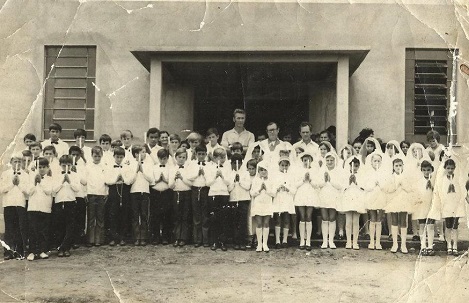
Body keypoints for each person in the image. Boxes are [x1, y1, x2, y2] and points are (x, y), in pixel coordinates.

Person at [432, 158, 466, 255]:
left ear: (454, 168)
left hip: (456, 204)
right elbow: (440, 192)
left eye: (452, 168)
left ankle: (455, 245)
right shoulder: (442, 179)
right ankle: (449, 246)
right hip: (447, 205)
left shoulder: (458, 178)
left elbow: (462, 191)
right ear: (445, 168)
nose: (450, 170)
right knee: (448, 225)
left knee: (455, 226)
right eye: (448, 168)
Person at [1, 154, 29, 259]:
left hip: (20, 204)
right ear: (11, 162)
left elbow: (28, 192)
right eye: (15, 161)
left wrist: (19, 185)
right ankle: (8, 252)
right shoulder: (5, 173)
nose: (17, 164)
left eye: (19, 162)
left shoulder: (26, 175)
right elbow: (1, 189)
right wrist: (12, 184)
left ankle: (19, 251)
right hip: (9, 203)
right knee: (9, 229)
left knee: (19, 228)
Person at [205, 148, 233, 251]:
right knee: (213, 219)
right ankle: (214, 241)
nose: (224, 159)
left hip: (224, 194)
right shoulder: (209, 167)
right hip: (213, 194)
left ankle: (222, 242)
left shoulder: (227, 167)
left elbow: (229, 182)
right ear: (216, 158)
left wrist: (222, 176)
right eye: (222, 157)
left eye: (224, 157)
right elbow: (207, 183)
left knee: (223, 219)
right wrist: (214, 177)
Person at [52, 155, 80, 257]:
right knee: (60, 226)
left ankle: (66, 248)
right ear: (60, 165)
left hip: (70, 202)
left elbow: (77, 189)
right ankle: (60, 248)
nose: (66, 167)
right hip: (59, 202)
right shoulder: (56, 175)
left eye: (68, 165)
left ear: (71, 165)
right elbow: (54, 190)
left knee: (70, 226)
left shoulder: (75, 175)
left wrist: (70, 182)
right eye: (64, 165)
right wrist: (61, 182)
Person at [294, 151, 322, 250]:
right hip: (301, 194)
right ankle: (302, 241)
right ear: (302, 161)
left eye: (309, 160)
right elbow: (295, 185)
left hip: (310, 195)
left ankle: (308, 241)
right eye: (305, 160)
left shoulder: (314, 171)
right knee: (302, 217)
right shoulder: (299, 170)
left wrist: (310, 180)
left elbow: (317, 185)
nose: (307, 162)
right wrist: (303, 179)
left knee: (308, 216)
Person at [105, 147, 132, 246]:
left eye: (121, 157)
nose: (119, 159)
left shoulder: (127, 167)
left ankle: (122, 238)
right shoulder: (110, 167)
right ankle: (113, 238)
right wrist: (115, 179)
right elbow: (107, 180)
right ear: (114, 156)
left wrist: (124, 179)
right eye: (117, 157)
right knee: (113, 214)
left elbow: (130, 180)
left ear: (124, 157)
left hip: (124, 190)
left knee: (124, 214)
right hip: (113, 190)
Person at [384, 158, 413, 254]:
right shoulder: (391, 177)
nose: (398, 167)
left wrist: (403, 184)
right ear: (393, 167)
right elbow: (388, 189)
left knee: (403, 221)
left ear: (403, 166)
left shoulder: (406, 177)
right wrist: (396, 185)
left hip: (403, 201)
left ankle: (403, 244)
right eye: (396, 166)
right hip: (394, 201)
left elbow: (409, 189)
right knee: (394, 221)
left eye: (400, 165)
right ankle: (395, 244)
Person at [26, 157, 53, 261]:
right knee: (33, 230)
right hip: (33, 208)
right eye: (39, 167)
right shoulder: (31, 178)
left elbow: (48, 191)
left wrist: (40, 182)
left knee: (43, 230)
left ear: (47, 168)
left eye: (44, 167)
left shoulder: (50, 179)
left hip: (45, 208)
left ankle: (42, 250)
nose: (41, 169)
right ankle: (32, 251)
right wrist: (34, 182)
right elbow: (29, 192)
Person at [128, 145, 154, 246]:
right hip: (134, 193)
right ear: (135, 154)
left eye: (144, 152)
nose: (143, 154)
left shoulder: (148, 165)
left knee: (144, 215)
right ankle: (136, 238)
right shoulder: (130, 165)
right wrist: (136, 170)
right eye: (140, 152)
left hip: (145, 193)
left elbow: (152, 180)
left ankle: (143, 238)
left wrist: (142, 171)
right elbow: (129, 181)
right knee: (135, 216)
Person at [82, 146, 107, 247]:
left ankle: (99, 240)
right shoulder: (87, 167)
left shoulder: (104, 167)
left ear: (102, 155)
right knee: (91, 218)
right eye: (95, 156)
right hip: (91, 194)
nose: (97, 158)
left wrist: (106, 192)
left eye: (99, 156)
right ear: (92, 156)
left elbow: (106, 181)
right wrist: (85, 193)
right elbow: (84, 182)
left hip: (101, 194)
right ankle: (90, 240)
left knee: (100, 217)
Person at [340, 156, 366, 250]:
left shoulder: (362, 175)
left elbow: (364, 188)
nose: (354, 168)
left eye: (356, 166)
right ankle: (348, 241)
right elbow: (342, 188)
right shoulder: (346, 175)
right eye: (352, 166)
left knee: (356, 221)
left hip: (357, 199)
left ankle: (355, 242)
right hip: (348, 199)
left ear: (358, 166)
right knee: (348, 222)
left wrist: (356, 182)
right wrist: (349, 182)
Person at [318, 152, 343, 249]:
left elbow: (340, 186)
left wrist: (330, 179)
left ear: (335, 161)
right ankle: (325, 241)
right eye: (327, 160)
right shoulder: (322, 171)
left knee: (332, 218)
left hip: (333, 196)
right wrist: (324, 180)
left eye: (331, 160)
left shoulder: (337, 171)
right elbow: (318, 185)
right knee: (325, 218)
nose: (329, 162)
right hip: (324, 195)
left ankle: (331, 241)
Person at [186, 145, 210, 247]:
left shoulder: (209, 165)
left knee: (205, 215)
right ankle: (197, 239)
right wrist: (197, 173)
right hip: (195, 190)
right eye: (199, 154)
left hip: (205, 190)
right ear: (196, 154)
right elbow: (188, 177)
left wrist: (204, 174)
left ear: (206, 154)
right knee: (196, 215)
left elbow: (210, 179)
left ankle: (205, 240)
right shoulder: (192, 164)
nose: (201, 156)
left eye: (203, 154)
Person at [168, 148, 193, 247]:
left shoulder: (188, 169)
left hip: (186, 193)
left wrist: (182, 178)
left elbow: (191, 184)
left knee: (185, 216)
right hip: (176, 193)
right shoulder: (172, 169)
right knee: (177, 216)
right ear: (176, 157)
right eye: (179, 157)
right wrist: (174, 178)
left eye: (183, 157)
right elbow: (170, 186)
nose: (181, 159)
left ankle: (184, 238)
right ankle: (177, 237)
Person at [363, 152, 387, 250]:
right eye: (375, 161)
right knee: (372, 218)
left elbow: (386, 186)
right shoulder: (368, 173)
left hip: (380, 196)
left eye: (378, 161)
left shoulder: (383, 172)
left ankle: (378, 242)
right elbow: (366, 186)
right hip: (372, 196)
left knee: (379, 219)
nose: (377, 162)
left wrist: (380, 183)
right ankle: (372, 242)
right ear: (371, 162)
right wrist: (373, 184)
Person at [413, 160, 437, 256]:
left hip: (431, 205)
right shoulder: (419, 181)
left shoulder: (434, 180)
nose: (426, 172)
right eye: (424, 170)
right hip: (422, 205)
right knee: (422, 226)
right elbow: (417, 193)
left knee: (430, 226)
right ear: (421, 170)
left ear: (431, 170)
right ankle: (423, 246)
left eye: (428, 170)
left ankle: (430, 246)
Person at [228, 153, 251, 250]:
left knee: (242, 221)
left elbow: (247, 187)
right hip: (233, 200)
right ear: (231, 163)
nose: (236, 165)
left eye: (238, 163)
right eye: (234, 163)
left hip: (243, 200)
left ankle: (242, 241)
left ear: (241, 163)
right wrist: (234, 181)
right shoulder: (229, 173)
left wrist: (240, 181)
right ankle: (235, 242)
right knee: (234, 221)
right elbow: (228, 189)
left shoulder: (245, 173)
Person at [250, 161, 274, 252]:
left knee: (266, 223)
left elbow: (273, 193)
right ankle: (259, 244)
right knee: (259, 223)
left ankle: (265, 244)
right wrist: (260, 189)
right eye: (261, 170)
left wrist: (266, 189)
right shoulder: (255, 180)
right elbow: (252, 193)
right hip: (258, 204)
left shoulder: (270, 181)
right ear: (258, 171)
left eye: (265, 170)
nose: (263, 172)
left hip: (267, 204)